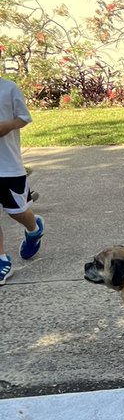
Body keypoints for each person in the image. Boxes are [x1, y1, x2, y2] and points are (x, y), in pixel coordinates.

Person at [0, 75, 44, 283]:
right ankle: (1, 260)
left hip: (8, 166)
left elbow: (23, 117)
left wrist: (8, 125)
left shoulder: (9, 88)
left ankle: (34, 229)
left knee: (17, 211)